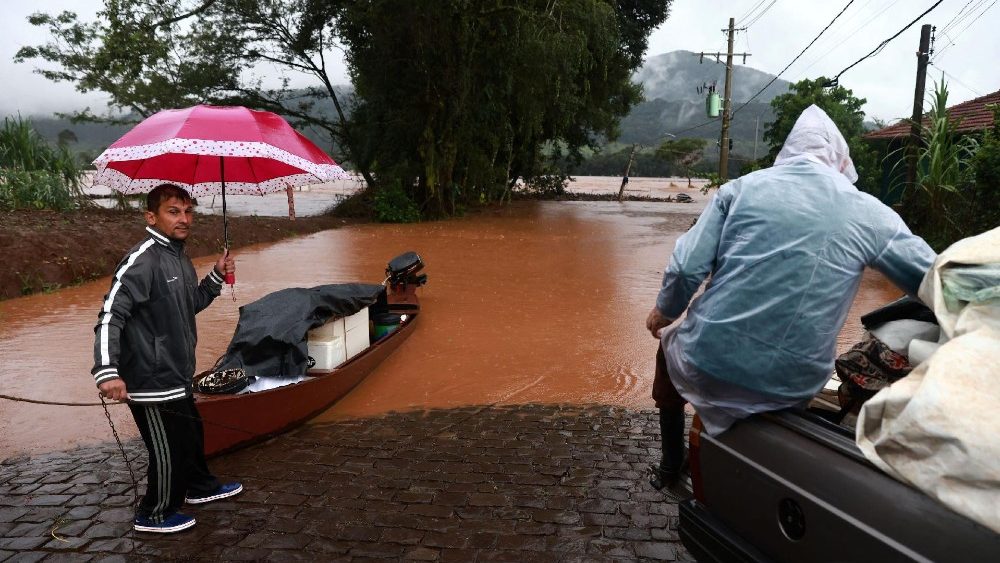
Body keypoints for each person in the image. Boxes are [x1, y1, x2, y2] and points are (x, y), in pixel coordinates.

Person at [645, 105, 936, 489]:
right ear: (839, 158)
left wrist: (663, 314)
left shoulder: (741, 190)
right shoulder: (871, 214)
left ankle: (670, 466)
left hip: (709, 363)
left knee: (667, 352)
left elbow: (685, 269)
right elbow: (935, 278)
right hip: (794, 383)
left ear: (789, 150)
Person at [91, 183, 243, 533]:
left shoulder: (178, 256)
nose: (184, 218)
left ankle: (199, 486)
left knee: (191, 433)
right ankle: (155, 512)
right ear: (151, 216)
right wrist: (107, 371)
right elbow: (111, 315)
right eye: (174, 211)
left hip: (177, 372)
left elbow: (191, 305)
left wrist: (218, 274)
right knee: (168, 448)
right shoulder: (142, 259)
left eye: (188, 211)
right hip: (150, 378)